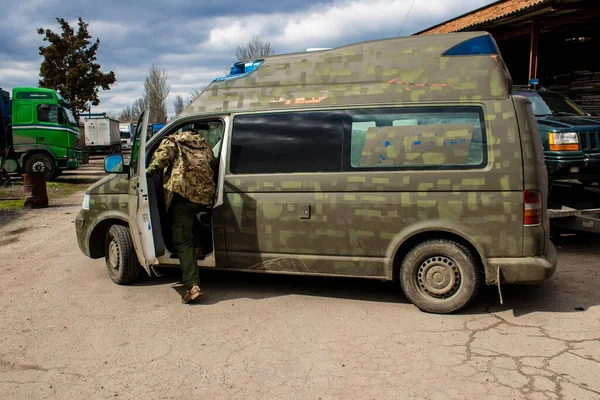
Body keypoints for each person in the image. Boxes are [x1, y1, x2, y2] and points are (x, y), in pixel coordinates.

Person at [146, 123, 215, 304]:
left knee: (182, 240)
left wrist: (146, 172)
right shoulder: (204, 144)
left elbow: (159, 163)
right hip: (204, 196)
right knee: (191, 220)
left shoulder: (172, 141)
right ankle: (199, 247)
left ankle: (192, 286)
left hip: (183, 197)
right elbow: (212, 162)